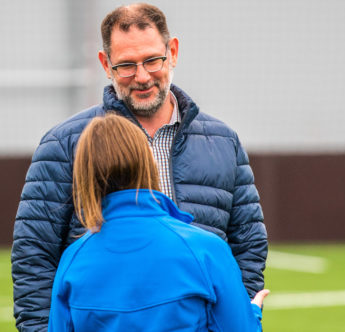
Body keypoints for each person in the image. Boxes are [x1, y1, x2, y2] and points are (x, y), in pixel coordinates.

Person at [12, 3, 267, 330]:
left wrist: (231, 314)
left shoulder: (222, 142)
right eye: (127, 65)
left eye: (152, 60)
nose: (143, 76)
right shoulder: (63, 145)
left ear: (172, 52)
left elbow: (248, 244)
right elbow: (33, 258)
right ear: (105, 64)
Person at [48, 114, 268, 331]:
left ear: (84, 175)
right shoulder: (205, 249)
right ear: (148, 163)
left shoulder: (72, 260)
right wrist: (253, 315)